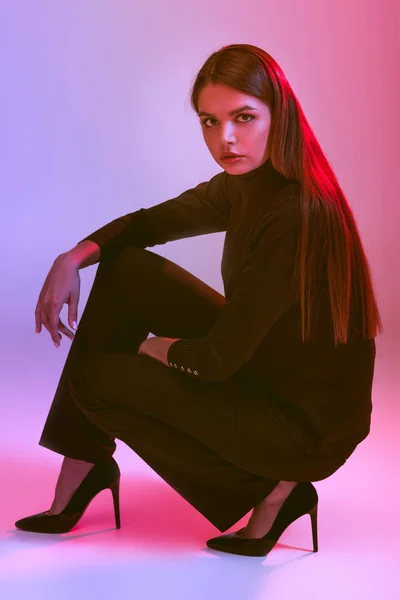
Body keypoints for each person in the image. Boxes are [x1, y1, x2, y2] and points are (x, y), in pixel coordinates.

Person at [14, 43, 382, 558]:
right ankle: (85, 461)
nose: (225, 139)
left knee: (94, 380)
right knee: (126, 268)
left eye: (243, 117)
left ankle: (274, 487)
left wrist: (156, 349)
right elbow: (152, 223)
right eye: (210, 121)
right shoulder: (250, 181)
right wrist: (73, 257)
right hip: (270, 366)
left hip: (302, 426)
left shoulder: (298, 213)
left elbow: (215, 360)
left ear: (281, 116)